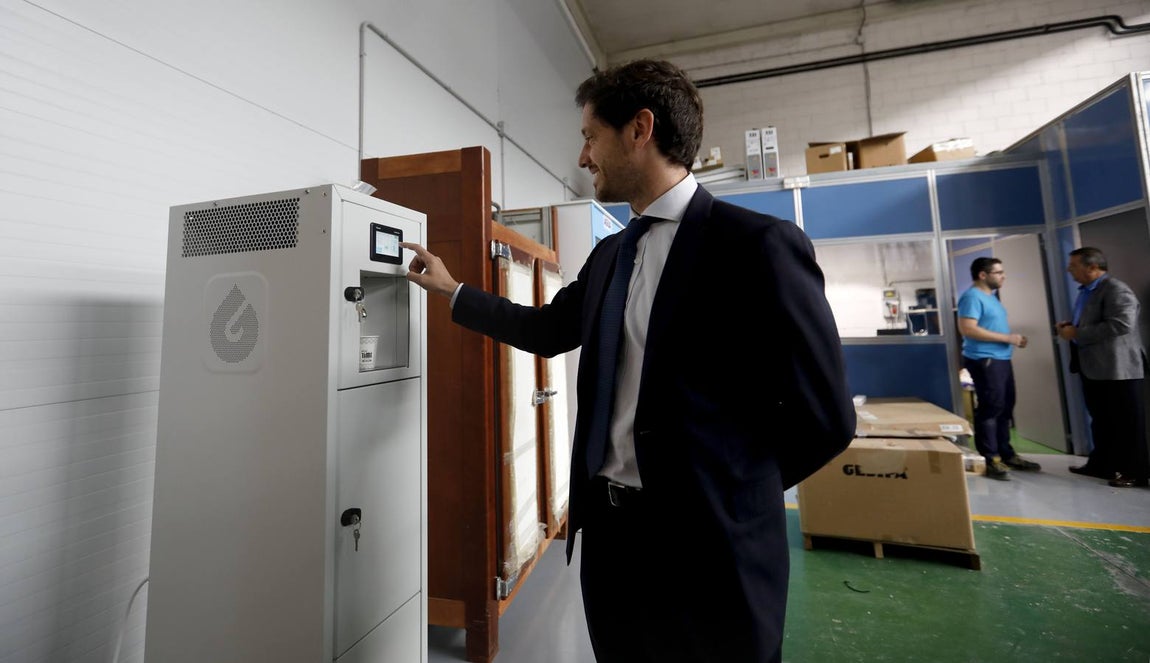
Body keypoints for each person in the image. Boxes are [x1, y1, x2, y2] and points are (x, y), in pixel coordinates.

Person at [401, 59, 854, 663]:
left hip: (712, 553)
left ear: (639, 130)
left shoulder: (755, 247)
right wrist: (453, 291)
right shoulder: (613, 254)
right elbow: (546, 330)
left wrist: (732, 494)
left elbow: (825, 418)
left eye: (590, 137)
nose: (584, 157)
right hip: (613, 545)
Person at [1057, 247, 1149, 488]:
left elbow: (1121, 325)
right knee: (1101, 420)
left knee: (1127, 423)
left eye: (1074, 265)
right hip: (1095, 368)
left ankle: (1135, 472)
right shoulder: (1086, 291)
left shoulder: (1116, 289)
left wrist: (1077, 332)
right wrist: (1071, 326)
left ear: (1093, 267)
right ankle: (1102, 464)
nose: (1069, 270)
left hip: (1119, 370)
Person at [956, 257, 1042, 480]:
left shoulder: (992, 298)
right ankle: (991, 458)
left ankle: (1006, 454)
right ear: (983, 275)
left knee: (1005, 407)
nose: (1003, 276)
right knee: (991, 407)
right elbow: (968, 329)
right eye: (998, 272)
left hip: (1001, 358)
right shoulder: (972, 297)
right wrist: (1007, 337)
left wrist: (1011, 340)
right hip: (985, 359)